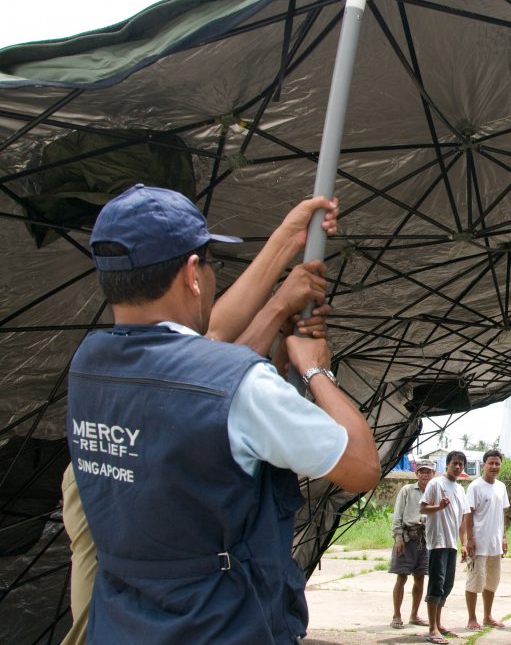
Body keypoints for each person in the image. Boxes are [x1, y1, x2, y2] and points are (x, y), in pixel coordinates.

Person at [66, 184, 381, 644]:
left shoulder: (88, 365)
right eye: (212, 264)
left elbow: (195, 356)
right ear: (194, 273)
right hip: (220, 624)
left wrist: (285, 247)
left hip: (125, 623)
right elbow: (362, 465)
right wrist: (315, 369)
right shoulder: (240, 386)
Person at [419, 450, 468, 644]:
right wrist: (438, 507)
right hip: (437, 543)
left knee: (446, 586)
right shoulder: (436, 483)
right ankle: (432, 629)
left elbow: (463, 518)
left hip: (451, 544)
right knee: (436, 585)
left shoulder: (460, 489)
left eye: (461, 464)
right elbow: (422, 508)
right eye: (454, 463)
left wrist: (464, 543)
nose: (457, 467)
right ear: (447, 464)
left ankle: (438, 624)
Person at [463, 449, 511, 630]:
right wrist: (469, 539)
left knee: (492, 581)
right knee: (475, 581)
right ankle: (472, 618)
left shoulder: (501, 487)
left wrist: (504, 537)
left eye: (497, 463)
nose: (494, 466)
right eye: (491, 463)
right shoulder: (475, 486)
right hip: (478, 544)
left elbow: (502, 514)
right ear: (484, 465)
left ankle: (487, 616)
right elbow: (469, 514)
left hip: (495, 544)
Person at [389, 459, 436, 629]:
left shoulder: (435, 493)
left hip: (426, 541)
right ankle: (396, 615)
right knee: (401, 577)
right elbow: (397, 516)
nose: (425, 474)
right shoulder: (407, 490)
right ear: (417, 474)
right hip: (407, 538)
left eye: (428, 471)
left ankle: (414, 614)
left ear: (433, 474)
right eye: (422, 471)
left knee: (420, 578)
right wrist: (398, 538)